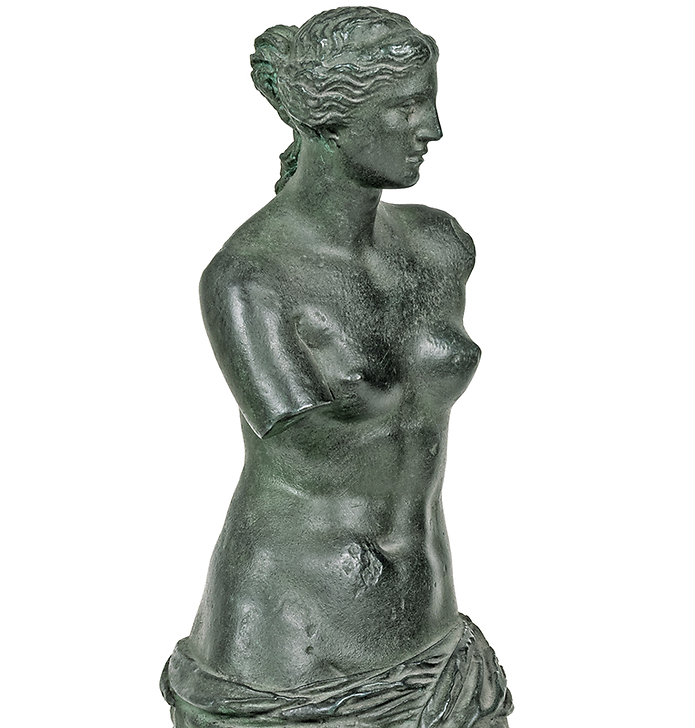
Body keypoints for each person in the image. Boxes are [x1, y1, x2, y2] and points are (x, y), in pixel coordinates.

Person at [161, 7, 513, 727]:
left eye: (428, 100)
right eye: (405, 107)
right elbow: (309, 448)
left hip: (430, 626)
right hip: (293, 646)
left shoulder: (439, 246)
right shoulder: (250, 279)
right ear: (330, 119)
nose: (432, 128)